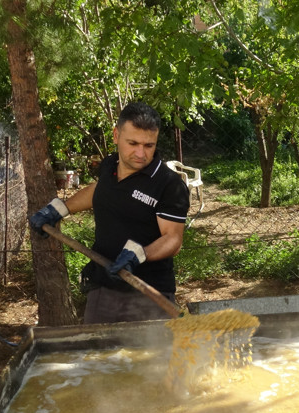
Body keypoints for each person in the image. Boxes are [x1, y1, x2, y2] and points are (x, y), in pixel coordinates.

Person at [29, 102, 190, 323]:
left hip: (149, 294)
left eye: (149, 145)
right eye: (132, 143)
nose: (141, 153)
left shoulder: (168, 185)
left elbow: (173, 239)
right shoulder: (110, 165)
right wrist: (59, 209)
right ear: (116, 135)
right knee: (98, 354)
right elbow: (100, 190)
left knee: (151, 356)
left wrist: (138, 255)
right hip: (103, 286)